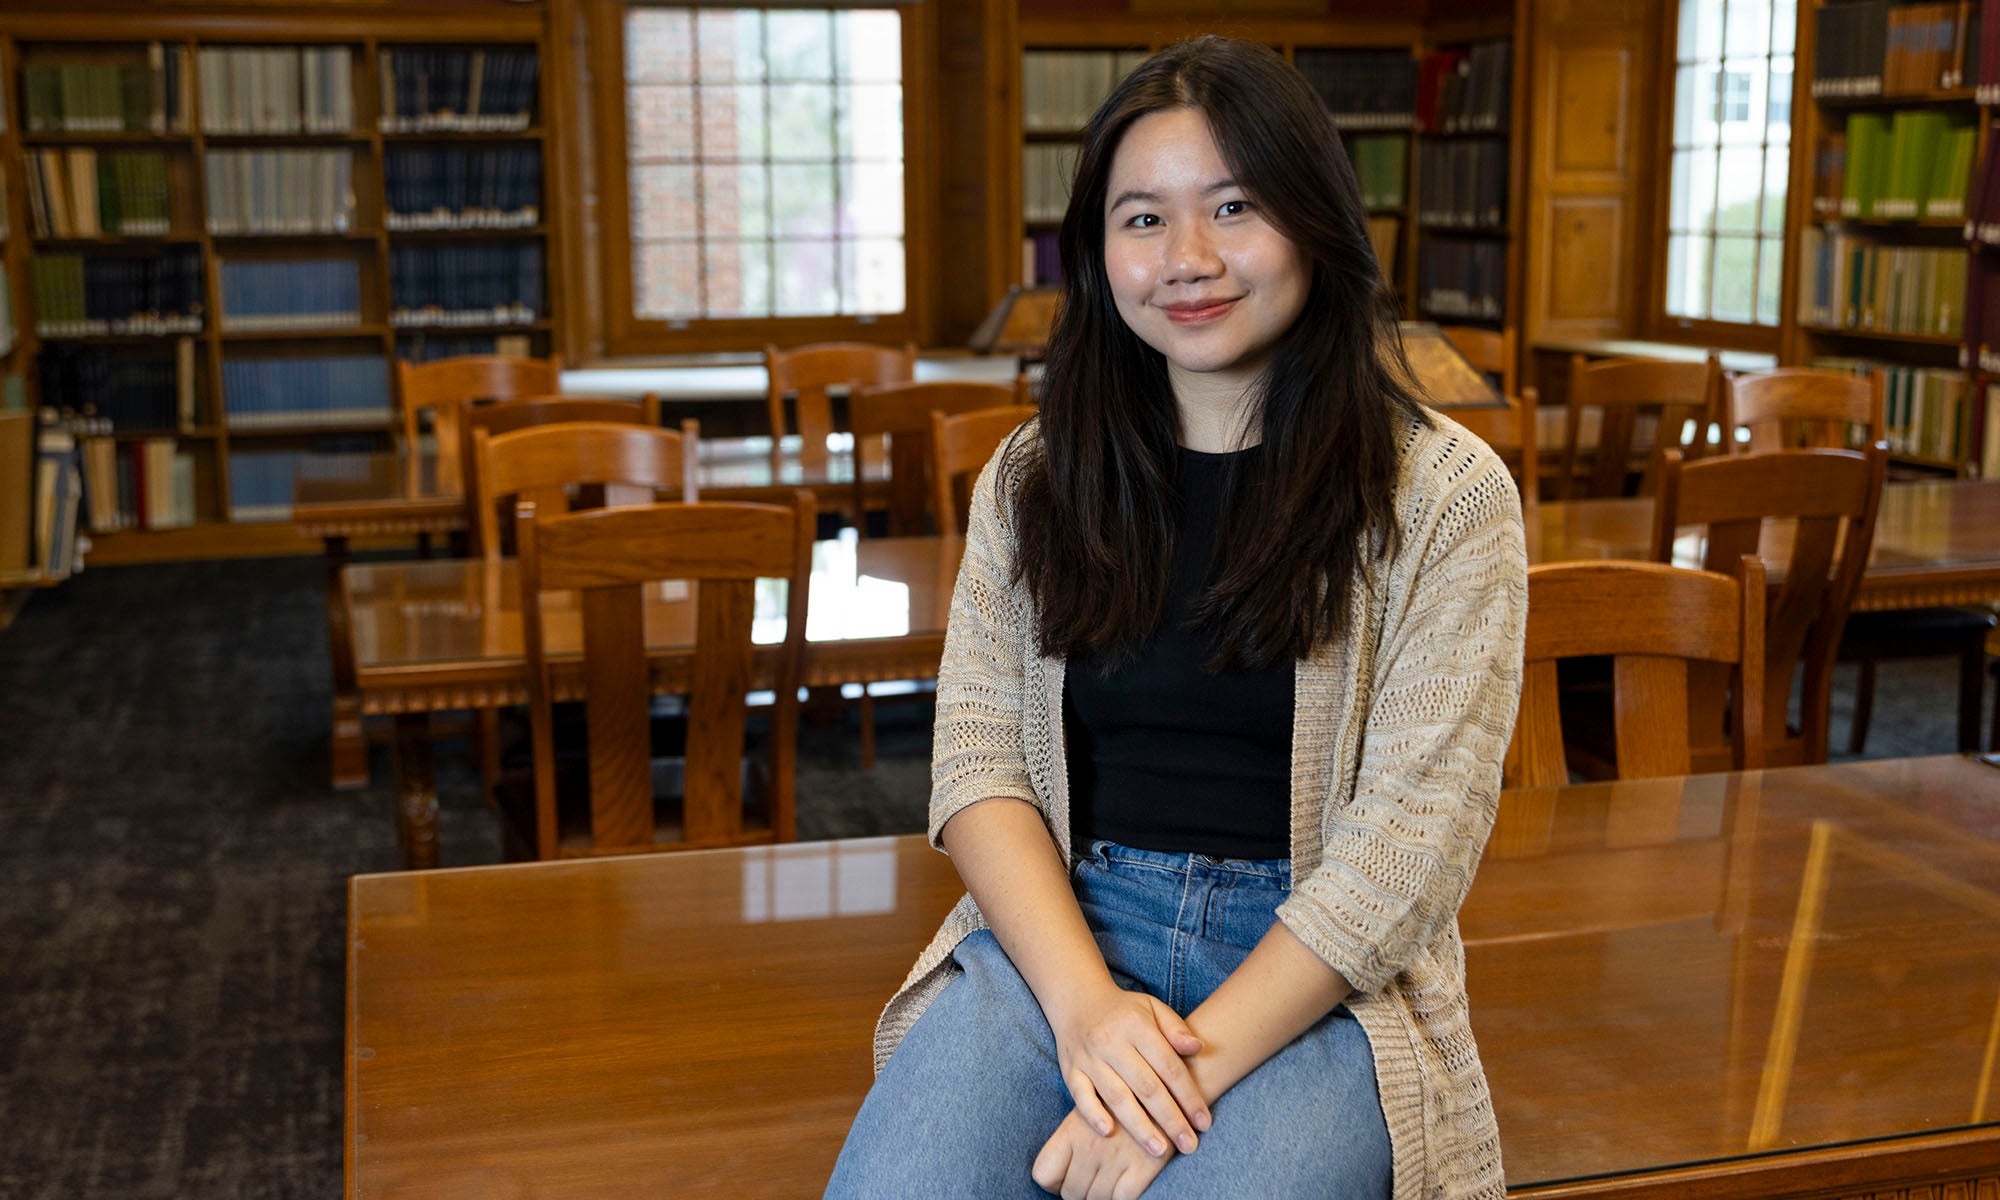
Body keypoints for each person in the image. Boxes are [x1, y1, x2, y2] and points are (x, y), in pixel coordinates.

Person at [826, 35, 1524, 1200]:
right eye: (1141, 219)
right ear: (1095, 254)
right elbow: (978, 761)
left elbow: (1407, 852)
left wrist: (1166, 1092)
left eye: (1233, 206)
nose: (1186, 259)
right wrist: (1090, 1017)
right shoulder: (1034, 476)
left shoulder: (1442, 495)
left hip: (1311, 961)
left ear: (1313, 220)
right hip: (1071, 927)